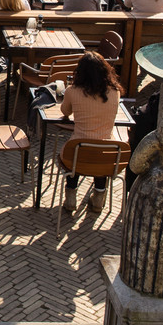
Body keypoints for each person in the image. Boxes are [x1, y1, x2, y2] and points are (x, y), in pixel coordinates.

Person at [60, 52, 123, 214]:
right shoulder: (115, 91)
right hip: (107, 153)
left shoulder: (72, 91)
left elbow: (65, 111)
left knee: (73, 154)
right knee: (100, 155)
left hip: (78, 151)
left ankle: (71, 197)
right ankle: (98, 199)